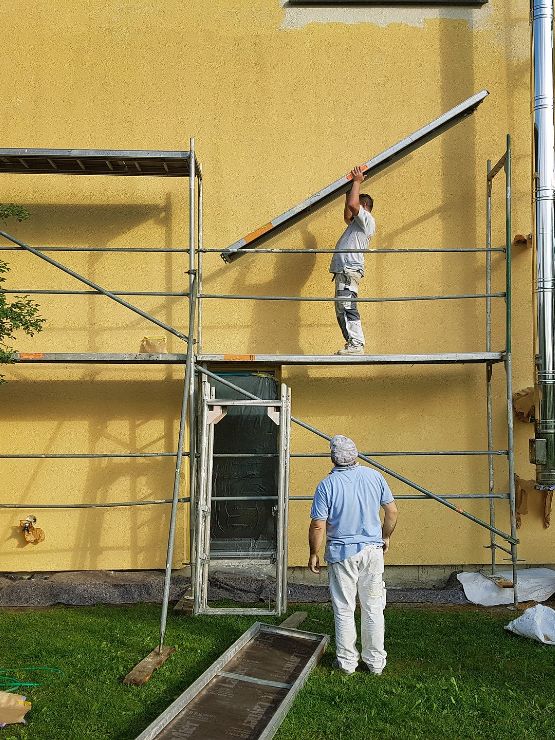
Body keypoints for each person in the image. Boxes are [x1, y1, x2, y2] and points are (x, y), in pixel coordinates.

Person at [308, 435, 398, 675]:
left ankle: (347, 663)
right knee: (373, 607)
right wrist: (385, 536)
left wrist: (313, 553)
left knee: (344, 608)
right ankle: (376, 663)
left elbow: (318, 525)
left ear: (333, 458)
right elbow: (391, 512)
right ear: (356, 454)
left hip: (341, 554)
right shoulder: (375, 476)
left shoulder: (326, 485)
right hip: (372, 551)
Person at [330, 166, 375, 355]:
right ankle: (352, 343)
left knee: (347, 306)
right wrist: (347, 192)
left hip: (349, 269)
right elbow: (348, 214)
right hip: (344, 270)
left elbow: (353, 207)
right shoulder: (356, 223)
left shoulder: (367, 218)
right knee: (342, 308)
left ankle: (357, 344)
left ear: (364, 207)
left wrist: (357, 181)